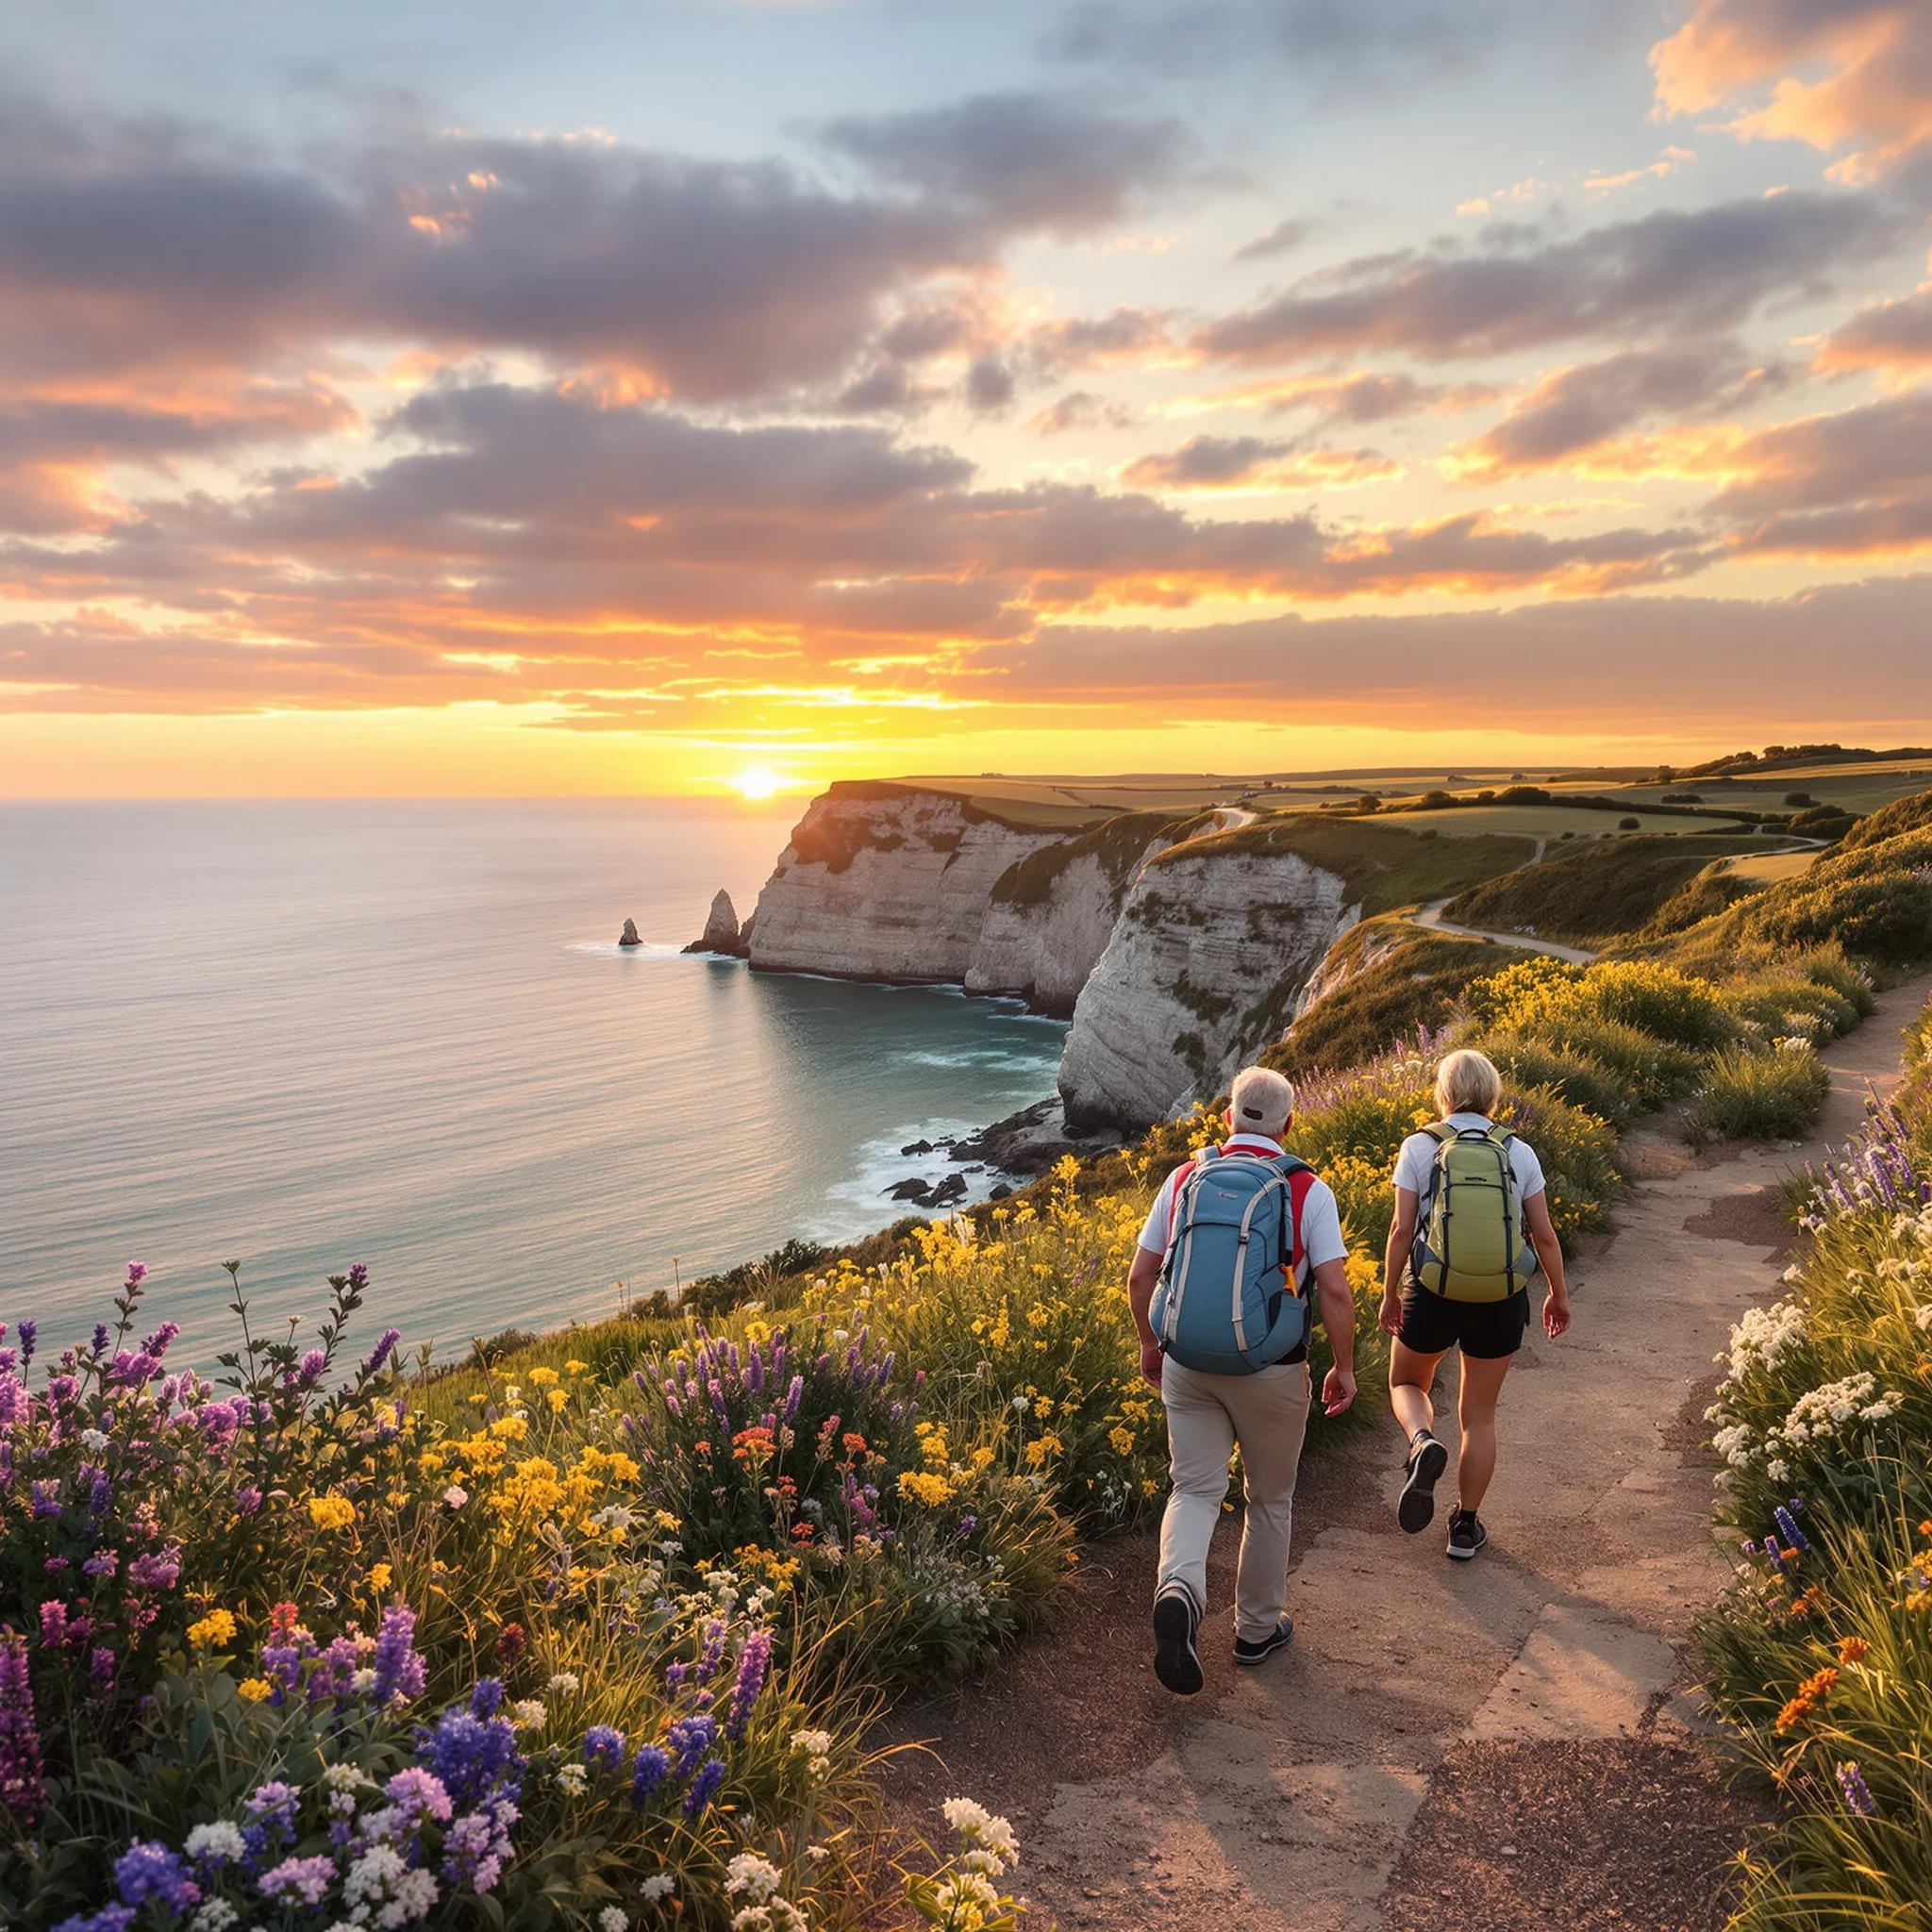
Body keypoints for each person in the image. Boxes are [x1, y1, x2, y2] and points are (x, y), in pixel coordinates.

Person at [1129, 1065, 1358, 1694]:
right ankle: (1256, 1631)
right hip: (1273, 1371)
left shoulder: (1184, 1178)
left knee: (1195, 1488)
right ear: (1289, 1123)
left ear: (1227, 1117)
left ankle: (1178, 1588)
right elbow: (1335, 1290)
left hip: (1188, 1364)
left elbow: (1140, 1277)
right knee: (1269, 1498)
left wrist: (1152, 1346)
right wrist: (1344, 1366)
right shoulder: (1308, 1188)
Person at [1379, 1047, 1571, 1559]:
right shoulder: (1518, 1151)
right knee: (1479, 1415)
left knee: (1404, 1381)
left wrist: (1389, 1292)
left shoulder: (1420, 1147)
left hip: (1434, 1289)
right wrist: (1557, 1294)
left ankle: (1421, 1442)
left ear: (1443, 1093)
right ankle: (1464, 1528)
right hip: (1501, 1295)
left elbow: (1402, 1229)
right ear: (1492, 1094)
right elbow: (1544, 1235)